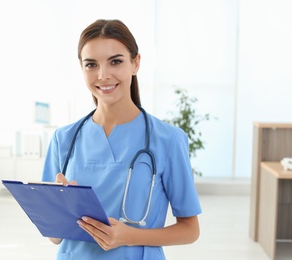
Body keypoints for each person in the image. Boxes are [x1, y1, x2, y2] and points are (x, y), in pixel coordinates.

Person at [41, 19, 201, 259]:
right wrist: (64, 209)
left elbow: (190, 230)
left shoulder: (168, 140)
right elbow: (54, 236)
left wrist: (129, 236)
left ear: (135, 63)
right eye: (91, 65)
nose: (103, 75)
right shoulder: (63, 139)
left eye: (115, 61)